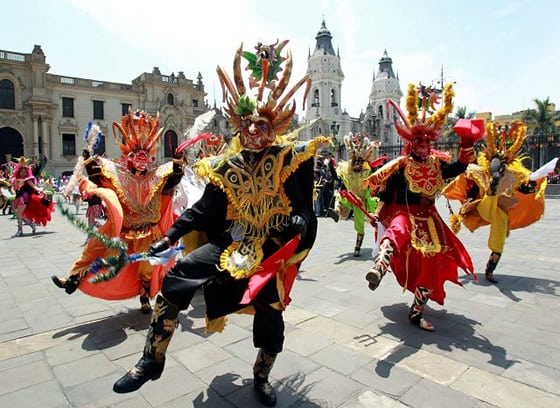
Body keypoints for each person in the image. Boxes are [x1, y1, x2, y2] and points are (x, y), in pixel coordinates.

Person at [112, 39, 328, 407]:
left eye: (262, 123)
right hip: (232, 242)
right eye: (248, 123)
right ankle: (152, 357)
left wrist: (299, 223)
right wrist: (172, 236)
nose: (255, 130)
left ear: (274, 124)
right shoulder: (226, 166)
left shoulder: (295, 158)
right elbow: (205, 210)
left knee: (271, 323)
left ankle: (261, 377)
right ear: (239, 124)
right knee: (179, 275)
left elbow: (307, 210)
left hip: (271, 250)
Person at [363, 83, 483, 331]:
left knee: (432, 262)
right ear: (411, 141)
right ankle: (379, 267)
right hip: (405, 214)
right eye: (419, 139)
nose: (424, 144)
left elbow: (457, 169)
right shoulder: (402, 164)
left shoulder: (436, 164)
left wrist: (466, 145)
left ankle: (417, 311)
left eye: (428, 140)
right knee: (397, 230)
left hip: (430, 220)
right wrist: (379, 210)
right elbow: (385, 189)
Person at [51, 112, 183, 313]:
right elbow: (98, 176)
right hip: (123, 232)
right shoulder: (118, 176)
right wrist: (88, 162)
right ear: (129, 158)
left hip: (149, 234)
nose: (142, 161)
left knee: (146, 269)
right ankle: (73, 280)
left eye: (146, 157)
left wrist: (178, 162)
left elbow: (173, 179)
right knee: (98, 257)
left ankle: (145, 298)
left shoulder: (158, 176)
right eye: (138, 156)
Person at [443, 121, 552, 283]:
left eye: (503, 163)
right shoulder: (479, 171)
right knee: (491, 196)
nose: (500, 165)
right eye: (496, 162)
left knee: (498, 242)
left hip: (500, 211)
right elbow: (465, 174)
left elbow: (524, 188)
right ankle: (493, 189)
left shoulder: (513, 174)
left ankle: (489, 269)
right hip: (484, 206)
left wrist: (529, 186)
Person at [332, 133, 380, 256]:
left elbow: (376, 179)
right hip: (351, 197)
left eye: (360, 160)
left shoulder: (367, 169)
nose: (357, 163)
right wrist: (331, 168)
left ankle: (357, 247)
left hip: (362, 201)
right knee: (341, 196)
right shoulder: (347, 169)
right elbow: (339, 178)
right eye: (355, 160)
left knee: (360, 226)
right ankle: (336, 212)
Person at [10, 157, 55, 237]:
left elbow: (34, 187)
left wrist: (41, 190)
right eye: (21, 171)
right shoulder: (16, 179)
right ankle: (31, 225)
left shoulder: (28, 180)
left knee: (19, 213)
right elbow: (14, 187)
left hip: (25, 198)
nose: (23, 173)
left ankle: (20, 230)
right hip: (19, 197)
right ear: (19, 172)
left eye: (24, 171)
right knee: (20, 215)